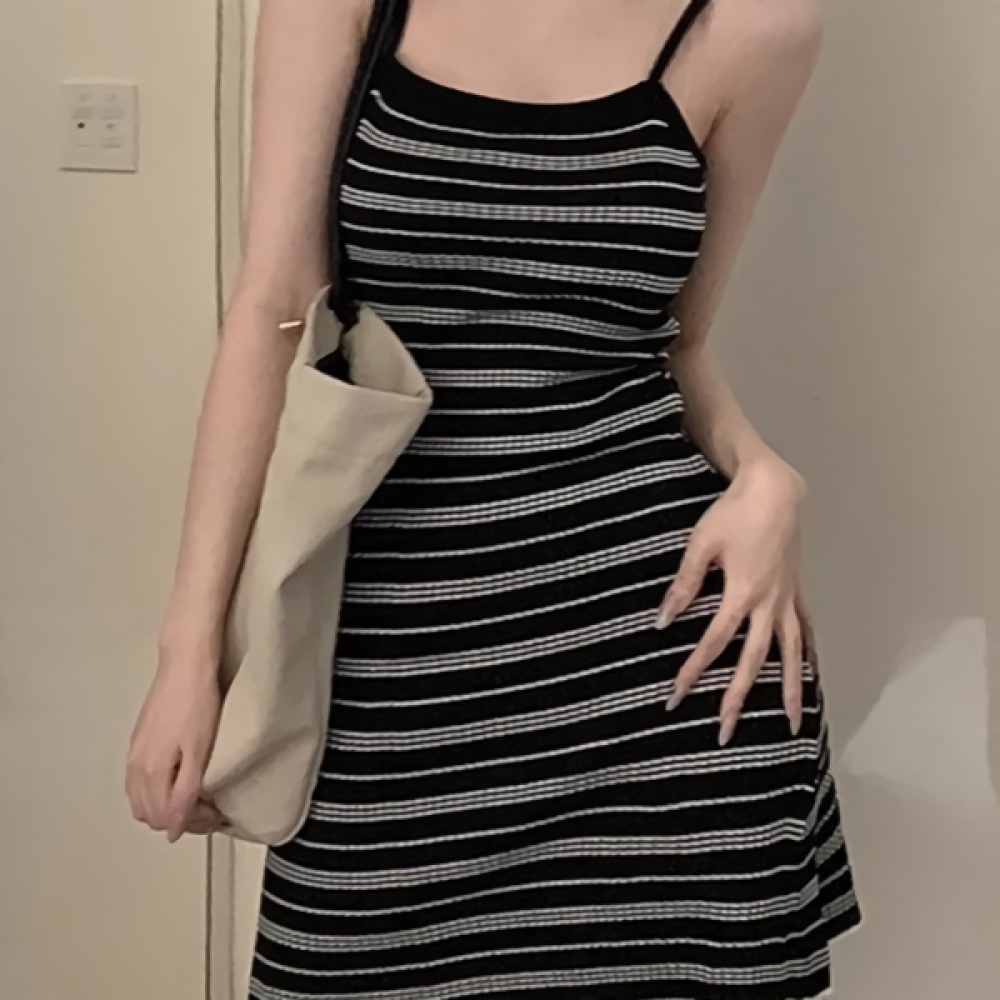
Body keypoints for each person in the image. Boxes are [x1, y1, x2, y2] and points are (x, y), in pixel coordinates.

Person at [126, 1, 862, 996]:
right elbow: (273, 307)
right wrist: (189, 654)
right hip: (390, 664)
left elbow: (676, 341)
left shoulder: (752, 25)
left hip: (661, 666)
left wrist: (767, 475)